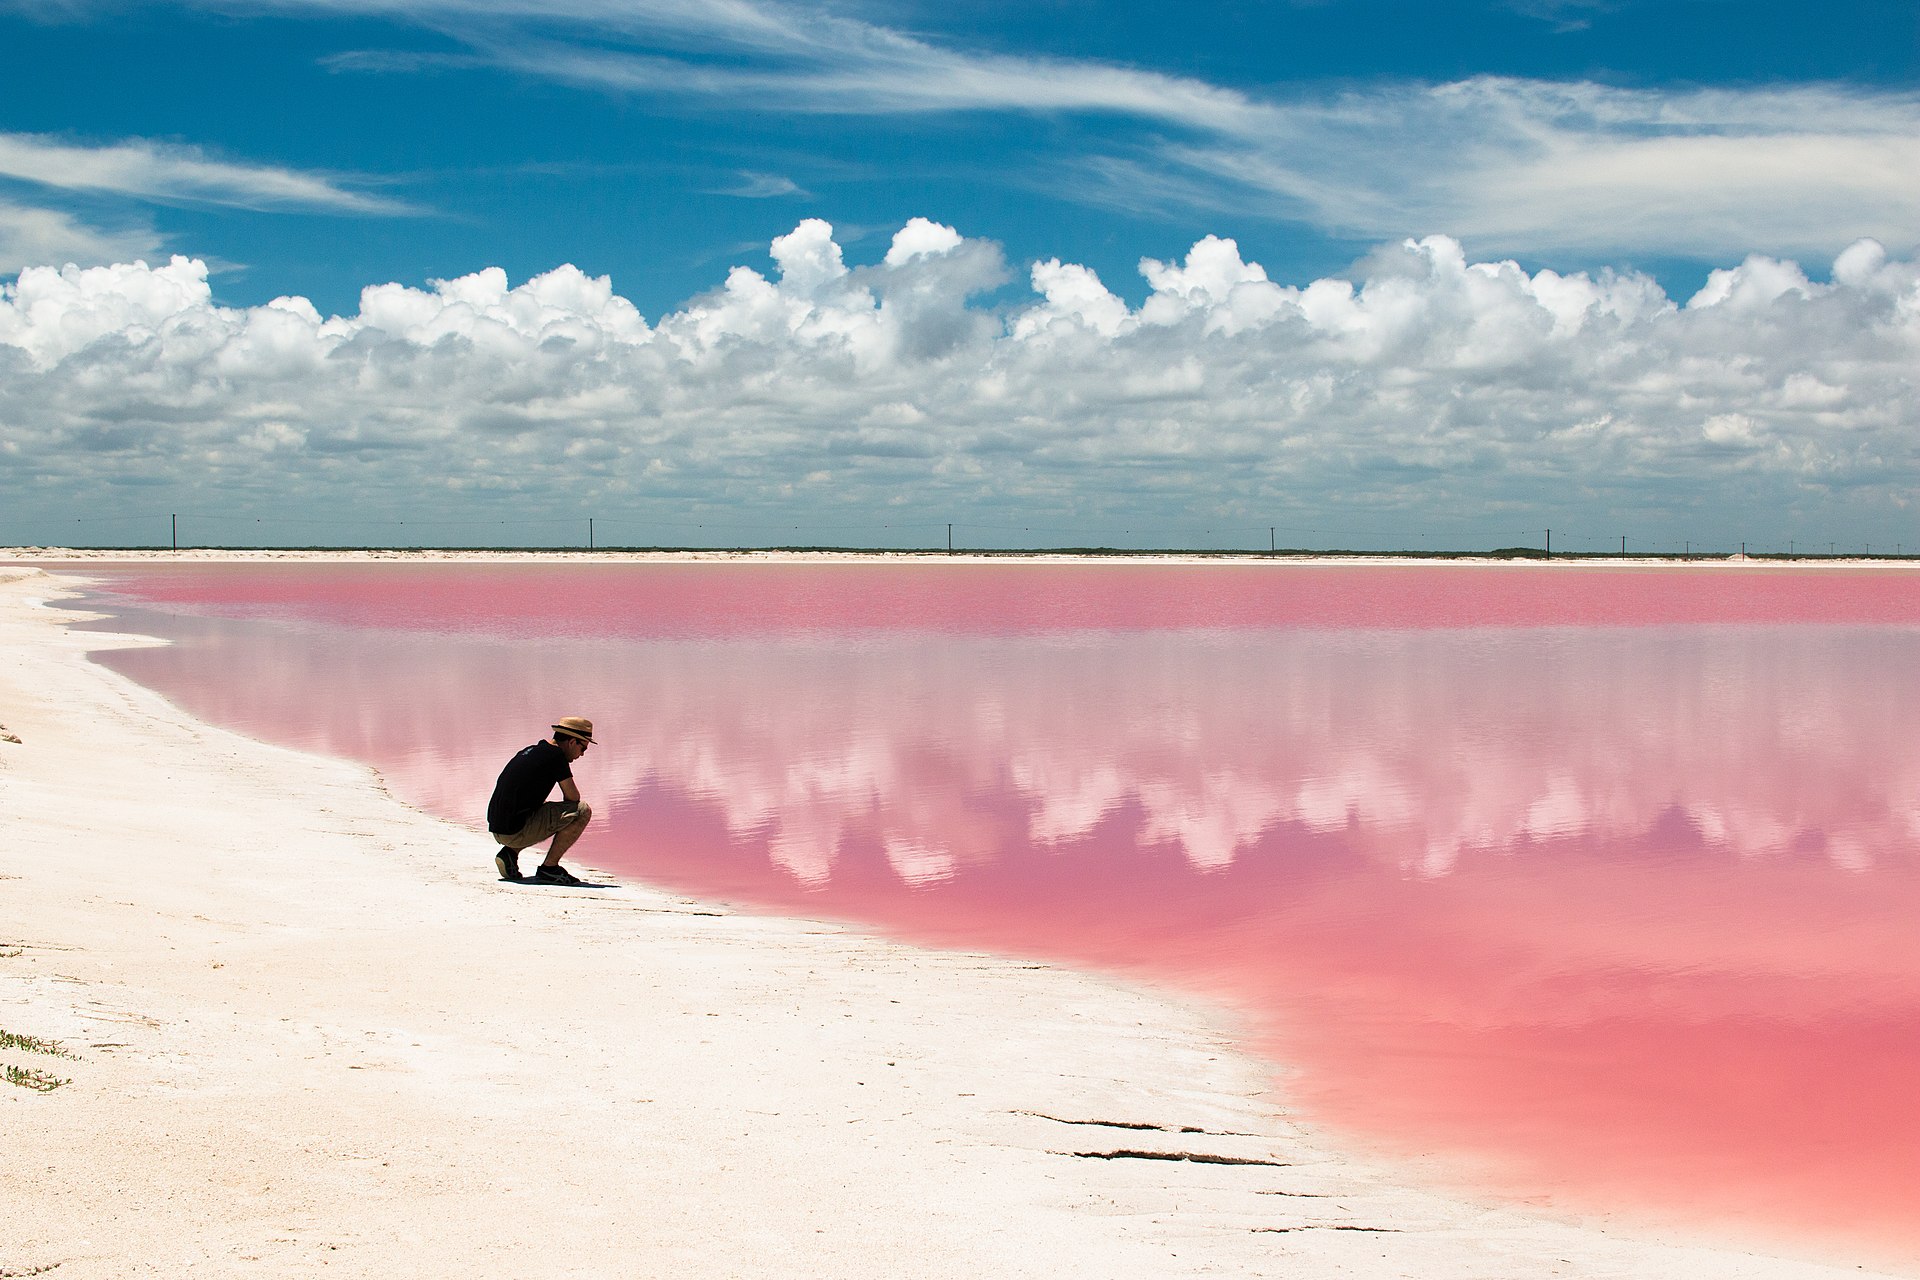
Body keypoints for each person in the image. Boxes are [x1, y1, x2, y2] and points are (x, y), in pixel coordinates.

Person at [488, 717, 595, 885]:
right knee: (582, 811)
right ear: (572, 742)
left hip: (498, 828)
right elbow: (573, 798)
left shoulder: (532, 750)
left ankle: (510, 854)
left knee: (541, 810)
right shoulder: (556, 756)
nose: (581, 754)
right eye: (583, 748)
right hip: (513, 831)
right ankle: (549, 869)